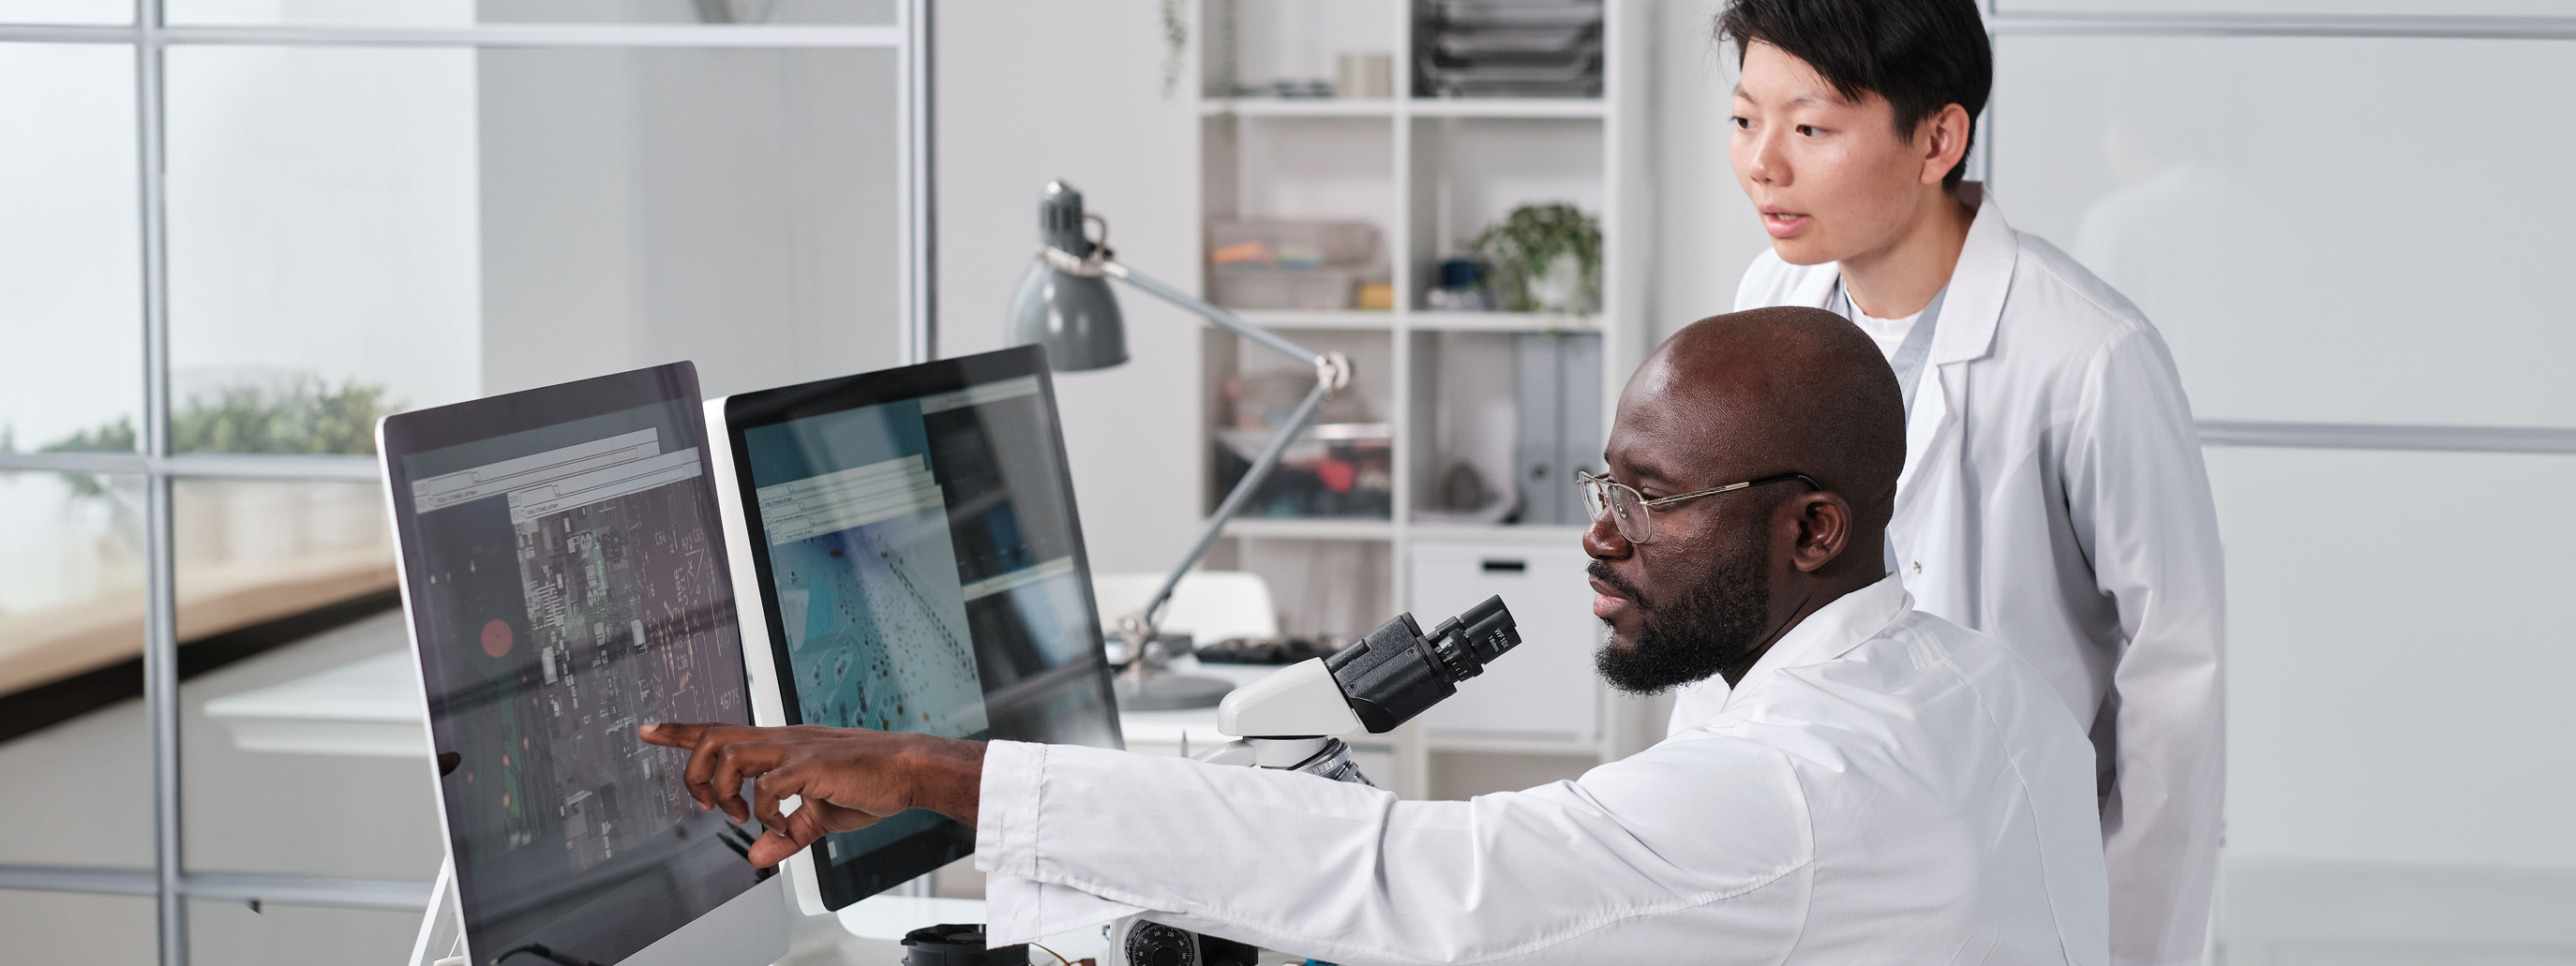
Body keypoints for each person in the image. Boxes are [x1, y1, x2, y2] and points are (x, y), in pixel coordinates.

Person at [644, 308, 2108, 965]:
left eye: (1656, 501)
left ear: (1811, 531)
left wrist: (937, 770)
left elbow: (1439, 882)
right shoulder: (1976, 681)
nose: (1600, 532)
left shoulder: (1804, 789)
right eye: (1607, 483)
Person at [1710, 4, 2228, 964]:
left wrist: (2134, 941)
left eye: (1810, 127)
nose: (1761, 163)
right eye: (1745, 120)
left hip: (2004, 893)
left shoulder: (2085, 354)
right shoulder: (1767, 301)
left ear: (1937, 138)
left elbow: (2175, 686)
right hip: (1807, 864)